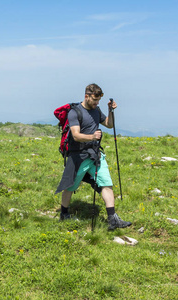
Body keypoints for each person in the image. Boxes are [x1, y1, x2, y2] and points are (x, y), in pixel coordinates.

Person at [55, 83, 131, 230]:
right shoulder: (74, 112)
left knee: (106, 183)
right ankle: (64, 214)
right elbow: (76, 135)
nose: (97, 103)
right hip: (78, 156)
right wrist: (92, 137)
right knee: (70, 186)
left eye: (98, 101)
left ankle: (113, 219)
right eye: (94, 100)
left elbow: (109, 124)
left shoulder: (96, 110)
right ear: (86, 96)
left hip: (95, 154)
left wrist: (110, 111)